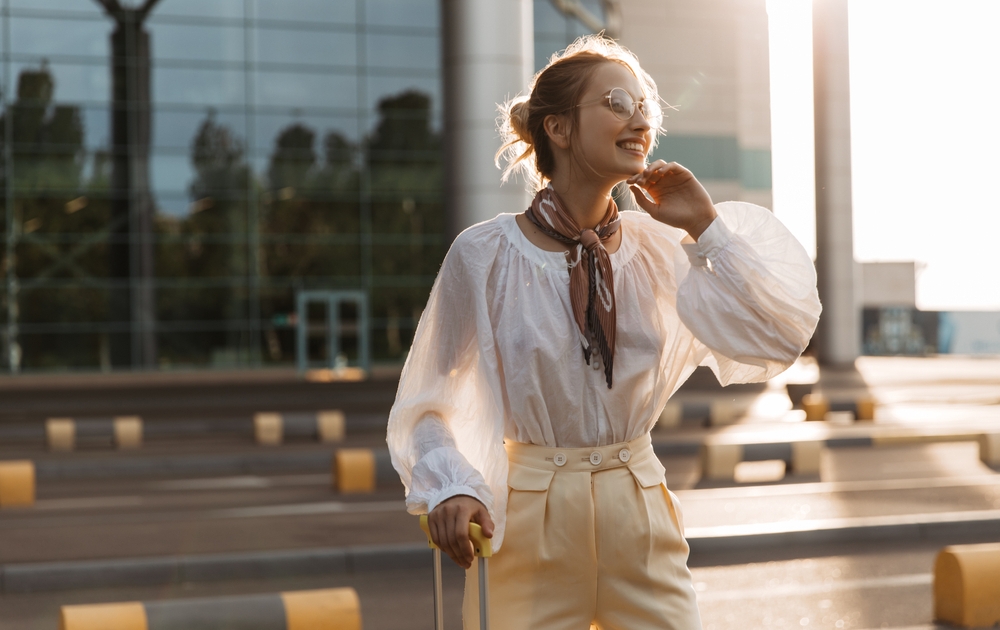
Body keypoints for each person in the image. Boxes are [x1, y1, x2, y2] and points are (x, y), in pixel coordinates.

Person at [387, 34, 821, 630]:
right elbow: (426, 400)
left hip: (640, 509)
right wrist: (449, 486)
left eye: (646, 105)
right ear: (559, 130)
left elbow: (780, 333)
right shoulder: (483, 255)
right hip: (529, 520)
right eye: (618, 101)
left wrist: (706, 227)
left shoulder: (663, 248)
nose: (640, 116)